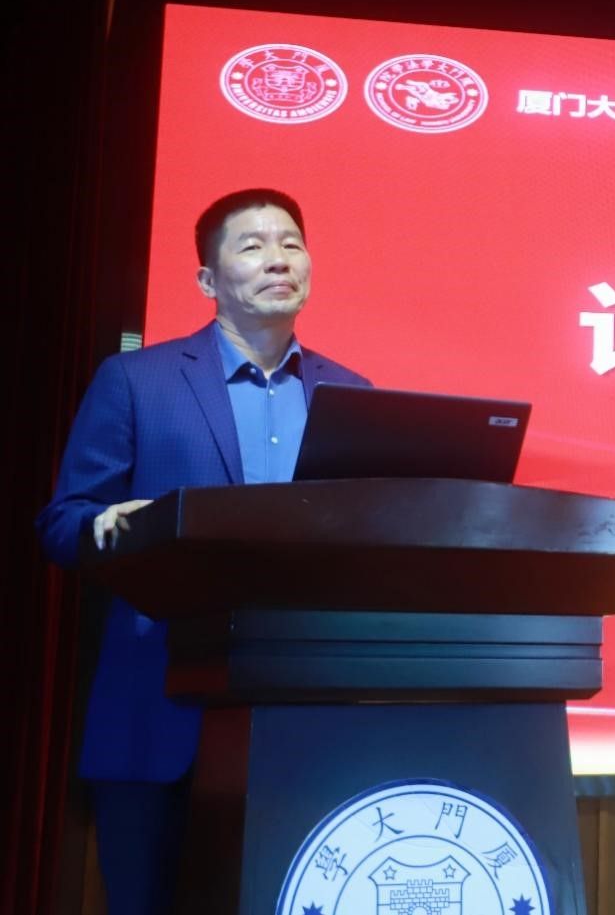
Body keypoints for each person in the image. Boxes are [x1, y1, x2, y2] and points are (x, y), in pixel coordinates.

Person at [36, 188, 370, 915]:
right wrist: (106, 526)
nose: (278, 259)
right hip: (159, 706)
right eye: (252, 245)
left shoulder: (350, 393)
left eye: (291, 243)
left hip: (300, 717)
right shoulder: (137, 380)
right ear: (207, 280)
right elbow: (62, 523)